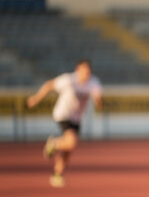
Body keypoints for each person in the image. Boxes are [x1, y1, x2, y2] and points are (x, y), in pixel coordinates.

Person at [26, 59, 102, 187]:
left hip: (76, 119)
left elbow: (98, 99)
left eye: (88, 71)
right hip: (63, 114)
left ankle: (57, 174)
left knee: (68, 149)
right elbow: (50, 85)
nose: (87, 74)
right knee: (71, 142)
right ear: (77, 70)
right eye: (84, 71)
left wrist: (98, 101)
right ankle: (53, 143)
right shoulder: (68, 80)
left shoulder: (93, 82)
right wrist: (36, 98)